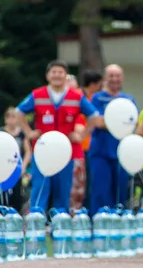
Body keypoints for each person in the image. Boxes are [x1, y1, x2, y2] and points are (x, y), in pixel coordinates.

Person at [15, 60, 99, 212]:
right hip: (42, 151)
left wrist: (82, 135)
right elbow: (18, 112)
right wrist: (29, 132)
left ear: (65, 75)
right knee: (40, 189)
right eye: (54, 72)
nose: (57, 75)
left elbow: (94, 116)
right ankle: (37, 223)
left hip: (66, 152)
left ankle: (60, 225)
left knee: (63, 191)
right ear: (47, 75)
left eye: (60, 72)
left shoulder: (76, 97)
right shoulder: (37, 95)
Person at [88, 64, 137, 215]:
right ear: (105, 78)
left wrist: (111, 122)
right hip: (100, 152)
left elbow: (133, 123)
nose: (115, 79)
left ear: (122, 78)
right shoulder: (97, 98)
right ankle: (98, 224)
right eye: (111, 76)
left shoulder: (128, 99)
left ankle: (118, 224)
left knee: (121, 192)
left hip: (122, 154)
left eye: (118, 76)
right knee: (101, 191)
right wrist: (118, 124)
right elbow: (98, 122)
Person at [79, 70, 104, 211]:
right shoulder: (81, 97)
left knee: (90, 181)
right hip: (82, 144)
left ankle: (87, 210)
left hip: (90, 145)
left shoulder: (92, 96)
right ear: (94, 84)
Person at [1, 107, 32, 212]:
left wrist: (23, 166)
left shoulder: (22, 134)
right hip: (4, 168)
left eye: (13, 117)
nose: (11, 120)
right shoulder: (2, 133)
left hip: (16, 168)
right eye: (8, 117)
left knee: (17, 196)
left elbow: (28, 151)